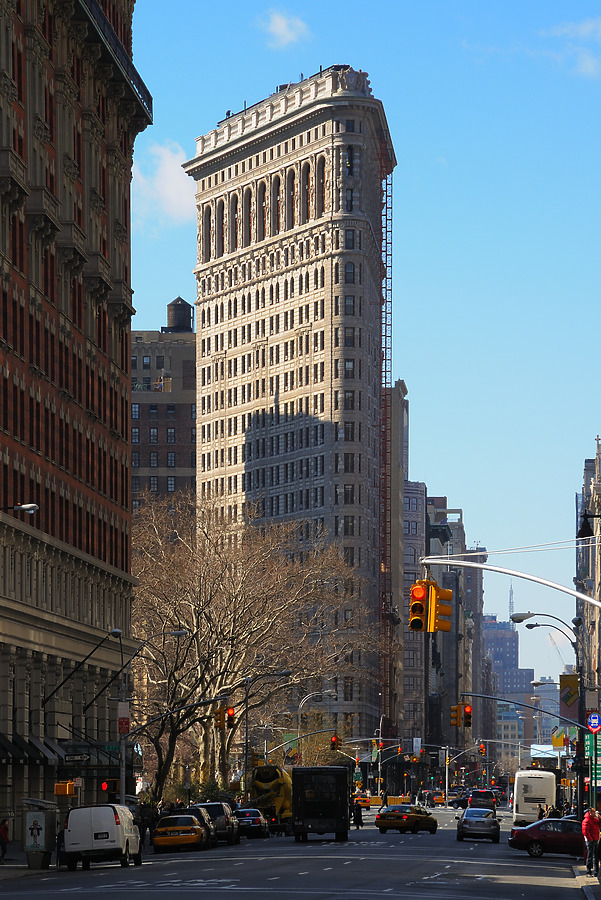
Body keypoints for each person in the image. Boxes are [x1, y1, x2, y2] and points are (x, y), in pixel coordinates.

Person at [582, 807, 600, 876]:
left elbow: (599, 825)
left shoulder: (595, 819)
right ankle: (589, 871)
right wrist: (590, 839)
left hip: (595, 839)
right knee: (590, 856)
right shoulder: (587, 820)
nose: (594, 813)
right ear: (590, 812)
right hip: (591, 840)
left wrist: (599, 818)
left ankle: (596, 872)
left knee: (596, 856)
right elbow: (585, 831)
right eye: (593, 812)